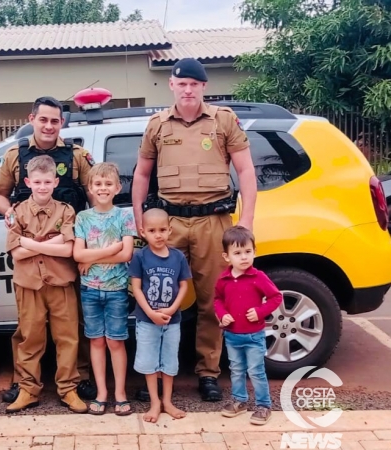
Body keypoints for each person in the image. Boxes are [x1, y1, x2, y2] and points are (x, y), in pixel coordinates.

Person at [131, 57, 258, 402]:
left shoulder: (224, 121)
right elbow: (142, 175)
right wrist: (138, 219)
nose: (188, 89)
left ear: (204, 87)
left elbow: (246, 171)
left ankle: (208, 373)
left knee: (211, 299)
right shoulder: (157, 125)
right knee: (158, 298)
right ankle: (155, 372)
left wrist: (246, 221)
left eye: (194, 84)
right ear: (171, 85)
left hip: (213, 221)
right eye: (181, 83)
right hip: (167, 224)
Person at [0, 95, 97, 403]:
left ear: (61, 122)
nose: (49, 126)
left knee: (73, 324)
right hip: (30, 253)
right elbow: (0, 194)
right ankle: (25, 384)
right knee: (29, 329)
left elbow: (95, 195)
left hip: (68, 249)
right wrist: (9, 213)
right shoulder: (15, 155)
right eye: (43, 119)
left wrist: (87, 244)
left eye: (55, 120)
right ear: (32, 119)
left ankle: (78, 381)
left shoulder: (77, 156)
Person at [4, 154, 87, 414]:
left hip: (61, 283)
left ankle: (68, 388)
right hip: (28, 284)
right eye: (37, 181)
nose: (42, 186)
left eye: (47, 182)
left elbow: (68, 250)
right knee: (30, 338)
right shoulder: (16, 212)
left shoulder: (66, 210)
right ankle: (28, 389)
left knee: (67, 337)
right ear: (28, 181)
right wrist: (52, 243)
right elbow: (15, 254)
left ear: (55, 181)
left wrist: (30, 243)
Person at [72, 162, 136, 416]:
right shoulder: (83, 218)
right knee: (96, 341)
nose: (103, 188)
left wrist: (91, 258)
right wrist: (111, 250)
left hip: (116, 290)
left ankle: (120, 393)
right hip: (89, 290)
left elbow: (127, 253)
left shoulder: (124, 216)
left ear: (118, 187)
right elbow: (77, 254)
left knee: (115, 342)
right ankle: (101, 392)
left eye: (108, 184)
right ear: (90, 188)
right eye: (98, 184)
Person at [214, 226, 282, 425]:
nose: (244, 257)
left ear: (254, 251)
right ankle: (239, 401)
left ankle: (263, 405)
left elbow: (276, 297)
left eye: (248, 252)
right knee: (236, 369)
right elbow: (217, 300)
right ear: (226, 257)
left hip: (254, 335)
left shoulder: (258, 277)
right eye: (237, 253)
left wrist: (260, 312)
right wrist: (223, 314)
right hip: (232, 335)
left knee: (256, 371)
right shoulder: (223, 279)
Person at [129, 209, 191, 423]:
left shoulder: (178, 257)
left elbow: (183, 285)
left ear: (170, 230)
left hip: (172, 321)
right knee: (149, 361)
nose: (158, 235)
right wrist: (150, 313)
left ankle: (167, 401)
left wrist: (173, 308)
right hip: (147, 321)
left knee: (169, 362)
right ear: (142, 232)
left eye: (162, 230)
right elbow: (136, 288)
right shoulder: (140, 256)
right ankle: (154, 402)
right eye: (152, 230)